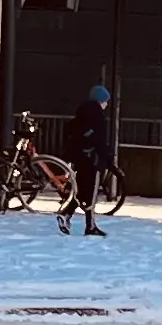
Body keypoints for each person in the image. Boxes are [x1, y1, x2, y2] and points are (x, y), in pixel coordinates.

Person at [62, 79, 118, 238]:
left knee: (81, 191)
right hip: (92, 160)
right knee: (91, 193)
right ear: (101, 100)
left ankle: (67, 215)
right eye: (106, 101)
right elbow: (99, 139)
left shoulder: (82, 113)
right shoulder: (97, 116)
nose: (106, 104)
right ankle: (89, 225)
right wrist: (106, 157)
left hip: (81, 158)